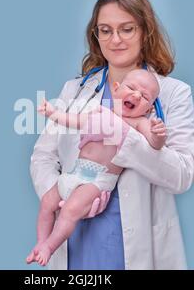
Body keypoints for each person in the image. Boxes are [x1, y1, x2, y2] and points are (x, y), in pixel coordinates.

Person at [29, 0, 194, 269]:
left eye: (127, 29)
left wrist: (125, 137)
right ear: (96, 36)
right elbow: (43, 157)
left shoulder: (173, 93)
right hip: (75, 237)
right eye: (105, 30)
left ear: (145, 32)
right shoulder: (75, 90)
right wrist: (62, 195)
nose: (115, 39)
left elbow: (183, 174)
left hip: (137, 245)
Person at [27, 69, 167, 266]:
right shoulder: (99, 113)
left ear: (148, 109)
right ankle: (41, 242)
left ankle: (49, 246)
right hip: (74, 172)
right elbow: (72, 121)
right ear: (116, 89)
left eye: (144, 96)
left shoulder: (137, 123)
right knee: (47, 203)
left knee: (69, 211)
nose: (136, 95)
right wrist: (52, 113)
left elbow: (154, 143)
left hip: (97, 180)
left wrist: (159, 135)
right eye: (132, 88)